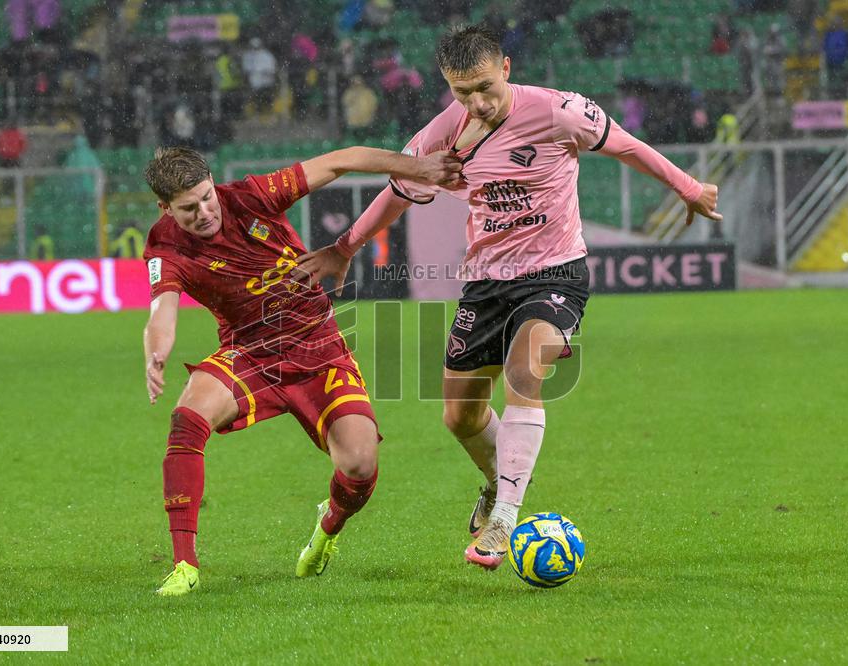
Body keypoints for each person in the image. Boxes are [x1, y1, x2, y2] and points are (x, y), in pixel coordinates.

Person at [295, 25, 721, 571]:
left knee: (527, 370)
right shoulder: (446, 133)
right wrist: (344, 247)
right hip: (486, 283)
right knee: (460, 417)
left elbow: (627, 145)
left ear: (508, 68)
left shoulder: (560, 112)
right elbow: (399, 191)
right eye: (461, 91)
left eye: (484, 87)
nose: (476, 102)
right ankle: (497, 484)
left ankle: (505, 521)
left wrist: (689, 187)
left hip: (555, 273)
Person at [143, 145, 463, 595]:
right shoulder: (164, 245)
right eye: (188, 208)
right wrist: (157, 352)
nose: (204, 212)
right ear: (164, 208)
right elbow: (163, 310)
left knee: (359, 463)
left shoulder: (252, 196)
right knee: (187, 419)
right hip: (250, 351)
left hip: (318, 344)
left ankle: (328, 526)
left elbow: (343, 159)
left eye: (207, 197)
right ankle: (184, 565)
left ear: (214, 184)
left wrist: (421, 168)